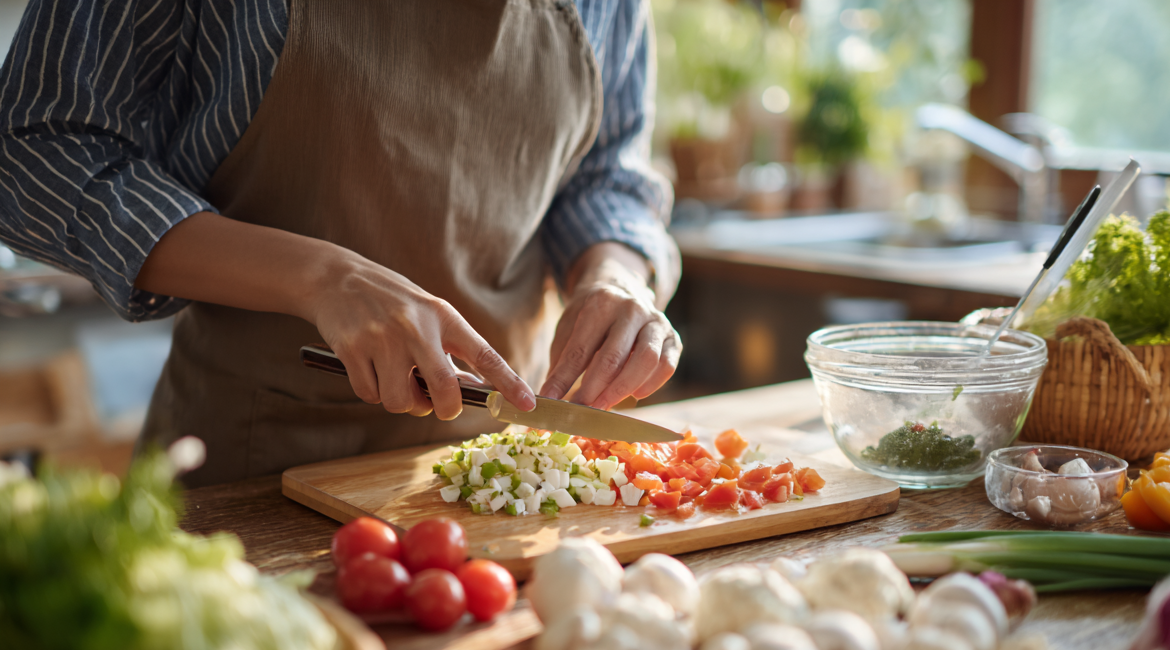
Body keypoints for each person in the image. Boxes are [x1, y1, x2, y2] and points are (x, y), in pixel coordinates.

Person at [0, 0, 681, 487]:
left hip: (509, 461)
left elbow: (604, 177)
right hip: (252, 464)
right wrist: (320, 276)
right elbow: (35, 153)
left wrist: (615, 274)